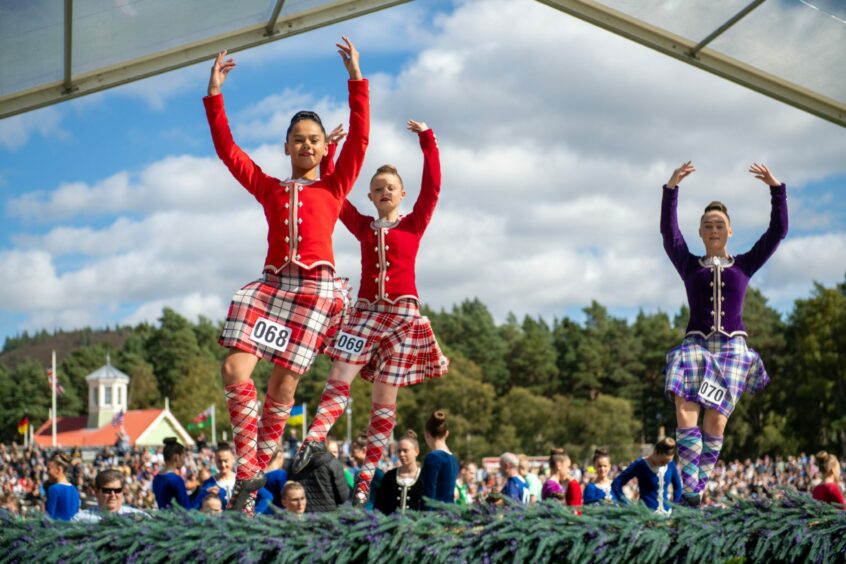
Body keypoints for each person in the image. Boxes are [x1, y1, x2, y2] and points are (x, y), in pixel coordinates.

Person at [203, 36, 369, 515]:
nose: (307, 145)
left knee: (283, 388)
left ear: (322, 148)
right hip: (272, 287)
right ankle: (251, 466)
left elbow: (358, 139)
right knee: (234, 368)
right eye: (298, 139)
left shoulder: (336, 186)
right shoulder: (269, 187)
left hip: (315, 290)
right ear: (286, 146)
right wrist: (215, 95)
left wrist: (356, 81)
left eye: (314, 140)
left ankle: (257, 470)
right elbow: (227, 149)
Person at [293, 117, 449, 506]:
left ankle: (366, 480)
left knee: (384, 400)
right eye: (377, 188)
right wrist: (328, 157)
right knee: (339, 371)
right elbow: (334, 197)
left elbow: (433, 188)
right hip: (365, 314)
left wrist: (428, 143)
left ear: (401, 194)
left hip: (402, 317)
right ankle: (314, 440)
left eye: (390, 188)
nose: (384, 192)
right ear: (370, 194)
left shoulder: (414, 224)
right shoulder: (363, 227)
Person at [661, 162, 788, 506]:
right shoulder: (689, 266)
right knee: (685, 408)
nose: (713, 229)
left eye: (719, 224)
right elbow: (669, 234)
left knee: (715, 422)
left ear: (729, 231)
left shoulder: (744, 265)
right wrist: (671, 189)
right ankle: (690, 488)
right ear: (701, 233)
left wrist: (777, 190)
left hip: (731, 350)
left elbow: (777, 232)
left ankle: (697, 489)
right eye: (707, 225)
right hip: (696, 347)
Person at [612, 438, 682, 515]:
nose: (665, 464)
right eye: (663, 461)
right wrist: (626, 504)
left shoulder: (671, 464)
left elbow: (678, 487)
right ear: (655, 452)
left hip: (667, 514)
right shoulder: (640, 464)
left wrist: (675, 507)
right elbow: (616, 483)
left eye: (667, 462)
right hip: (646, 515)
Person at [290, 440, 349, 512]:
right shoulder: (334, 463)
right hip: (329, 514)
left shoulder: (297, 464)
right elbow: (343, 496)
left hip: (304, 513)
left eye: (335, 451)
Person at [375, 430, 423, 514]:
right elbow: (379, 506)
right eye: (399, 451)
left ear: (416, 451)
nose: (401, 454)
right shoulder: (389, 476)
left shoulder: (424, 477)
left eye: (405, 450)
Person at [72, 469, 147, 523]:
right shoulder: (80, 520)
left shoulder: (139, 518)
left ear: (123, 491)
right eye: (107, 491)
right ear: (97, 492)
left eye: (117, 490)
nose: (113, 495)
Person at [419, 411, 459, 508]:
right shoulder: (453, 459)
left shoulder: (433, 457)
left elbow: (429, 494)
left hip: (435, 517)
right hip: (449, 513)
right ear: (446, 434)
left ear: (427, 434)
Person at [152, 437, 196, 509]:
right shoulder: (176, 480)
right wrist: (203, 493)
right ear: (176, 457)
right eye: (183, 457)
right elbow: (186, 509)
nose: (184, 461)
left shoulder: (156, 478)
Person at [349, 434, 383, 509]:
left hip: (372, 517)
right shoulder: (358, 474)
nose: (351, 456)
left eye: (353, 451)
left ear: (364, 450)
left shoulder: (377, 473)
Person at [197, 443, 237, 508]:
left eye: (226, 461)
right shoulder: (208, 483)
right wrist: (206, 493)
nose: (223, 465)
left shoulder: (241, 481)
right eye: (219, 461)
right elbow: (197, 506)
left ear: (233, 459)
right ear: (215, 460)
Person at [45, 452, 80, 521]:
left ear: (59, 469)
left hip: (57, 529)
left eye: (49, 469)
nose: (47, 472)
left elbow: (49, 518)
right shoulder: (74, 489)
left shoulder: (53, 489)